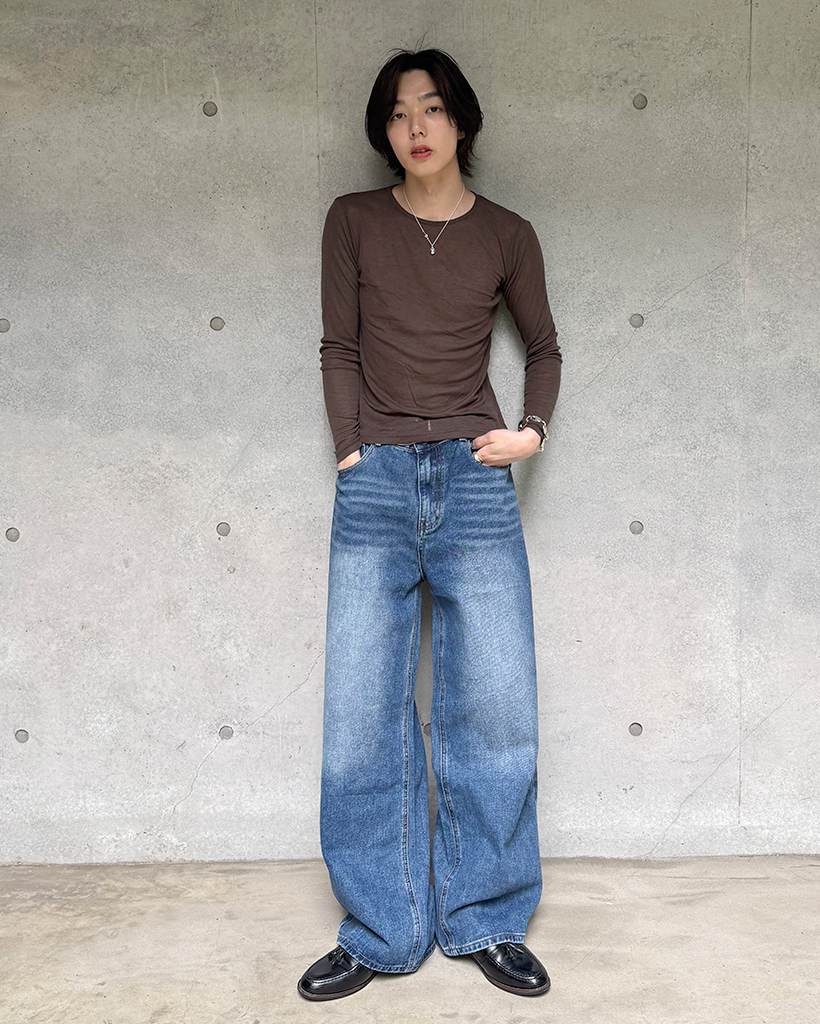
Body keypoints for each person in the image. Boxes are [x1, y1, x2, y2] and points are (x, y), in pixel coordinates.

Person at [298, 45, 562, 1001]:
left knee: (495, 707)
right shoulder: (354, 220)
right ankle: (383, 927)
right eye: (400, 112)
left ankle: (485, 917)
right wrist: (350, 449)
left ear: (462, 122)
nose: (417, 127)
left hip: (474, 479)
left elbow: (544, 347)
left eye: (434, 108)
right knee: (359, 716)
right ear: (385, 129)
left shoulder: (508, 234)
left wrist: (528, 433)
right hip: (374, 483)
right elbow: (337, 346)